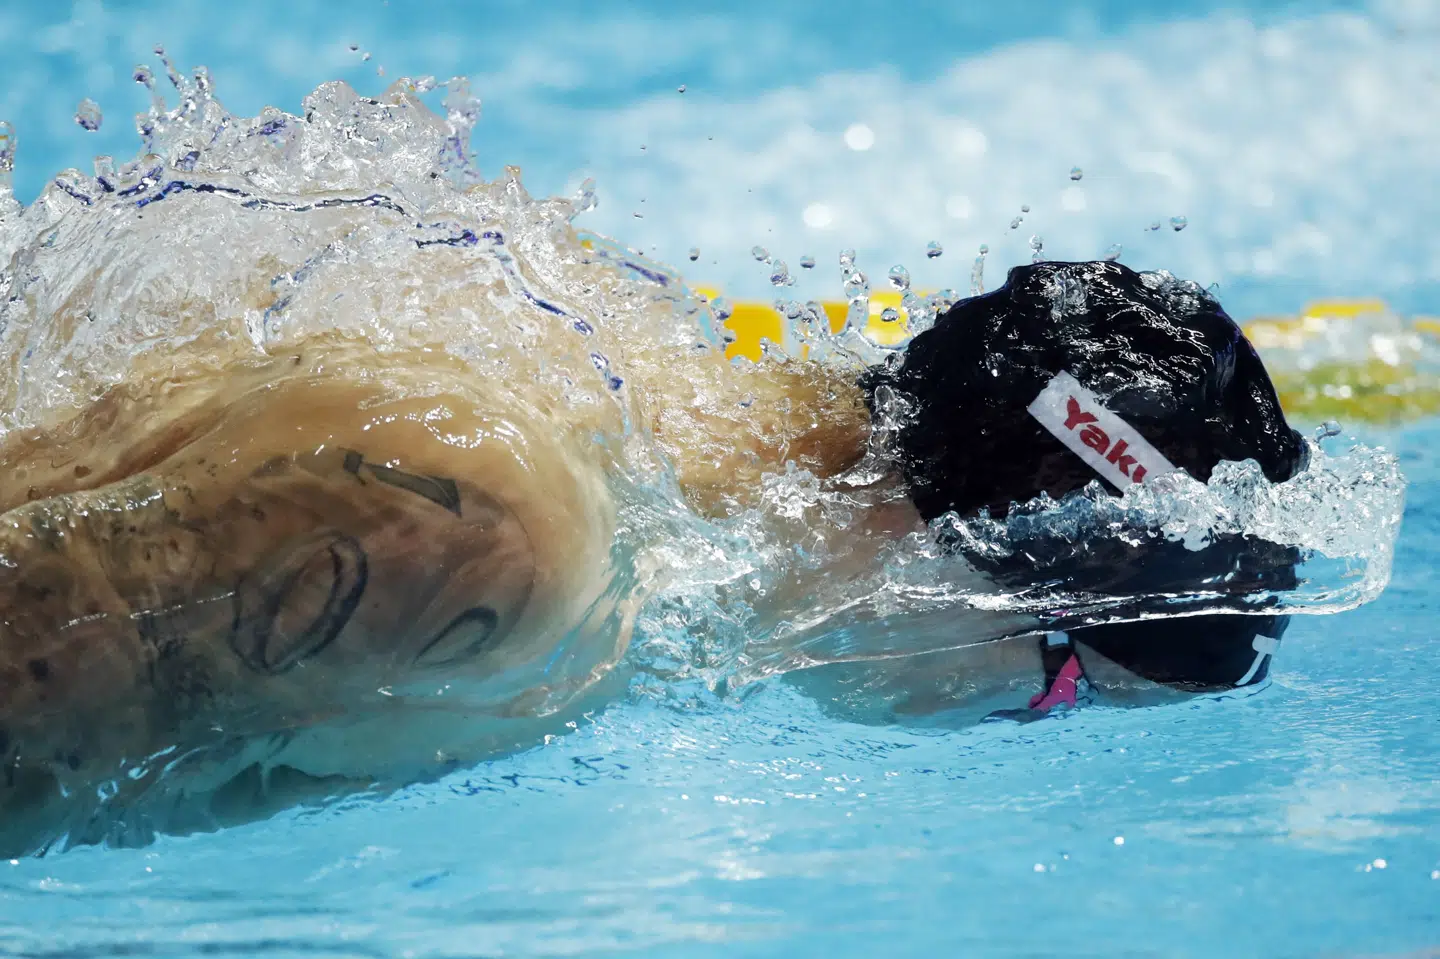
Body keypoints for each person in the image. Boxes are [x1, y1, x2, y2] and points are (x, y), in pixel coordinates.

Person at [0, 255, 1306, 853]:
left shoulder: (660, 429)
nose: (1002, 727)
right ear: (957, 565)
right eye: (1058, 690)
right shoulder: (480, 540)